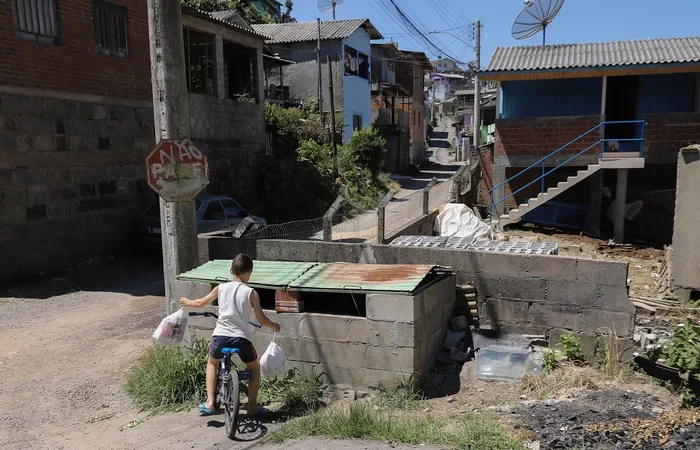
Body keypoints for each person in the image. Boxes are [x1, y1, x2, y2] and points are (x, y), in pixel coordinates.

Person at [180, 254, 280, 417]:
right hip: (241, 338)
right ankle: (252, 407)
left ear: (231, 270)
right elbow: (262, 319)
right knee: (255, 369)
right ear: (249, 273)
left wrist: (186, 301)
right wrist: (275, 326)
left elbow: (199, 303)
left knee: (212, 363)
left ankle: (210, 402)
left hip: (220, 336)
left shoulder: (221, 288)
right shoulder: (251, 293)